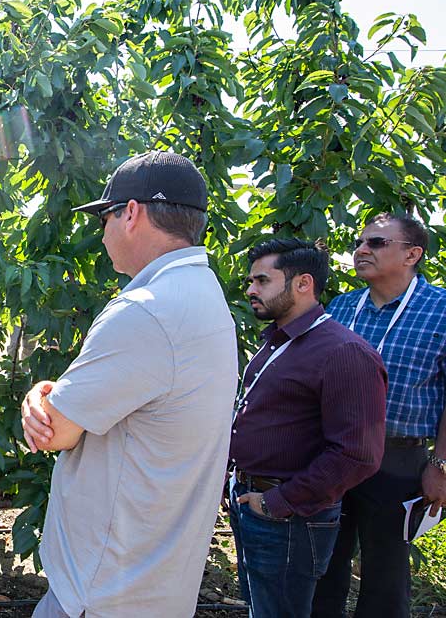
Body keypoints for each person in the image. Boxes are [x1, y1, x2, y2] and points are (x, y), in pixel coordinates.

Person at [21, 150, 239, 617]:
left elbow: (55, 430)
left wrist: (38, 392)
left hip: (98, 592)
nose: (102, 233)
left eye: (106, 216)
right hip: (150, 581)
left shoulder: (146, 309)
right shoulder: (203, 295)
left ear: (133, 213)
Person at [230, 238, 386, 618]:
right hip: (254, 503)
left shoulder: (343, 352)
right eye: (251, 281)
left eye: (262, 280)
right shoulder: (279, 341)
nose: (251, 290)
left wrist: (277, 503)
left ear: (303, 284)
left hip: (288, 518)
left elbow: (357, 454)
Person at [313, 213, 446, 618]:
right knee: (323, 567)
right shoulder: (341, 307)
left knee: (386, 577)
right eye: (359, 243)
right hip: (332, 452)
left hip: (397, 458)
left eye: (375, 243)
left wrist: (440, 465)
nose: (361, 250)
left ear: (412, 254)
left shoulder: (440, 310)